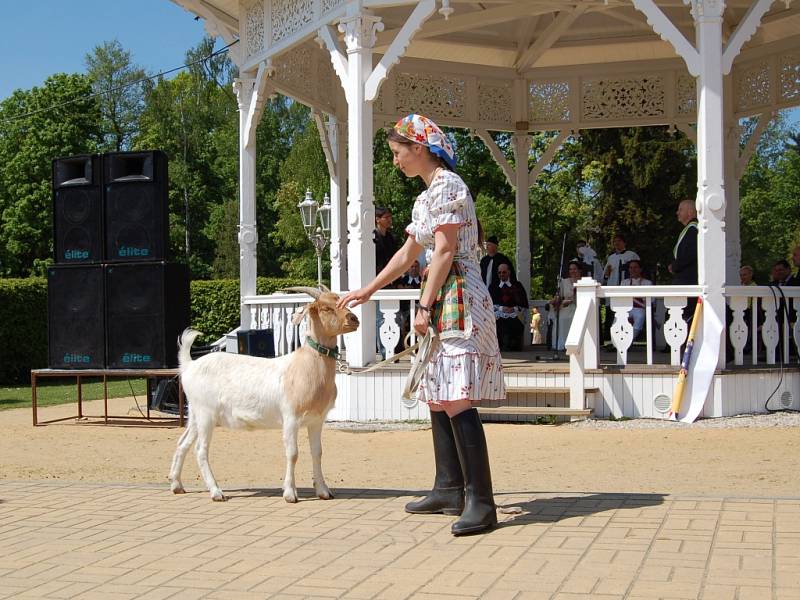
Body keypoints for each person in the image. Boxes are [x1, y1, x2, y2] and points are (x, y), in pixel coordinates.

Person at [338, 113, 504, 536]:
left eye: (397, 153)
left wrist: (426, 306)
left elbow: (445, 252)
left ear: (419, 148)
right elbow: (409, 254)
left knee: (456, 397)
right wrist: (367, 290)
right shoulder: (427, 196)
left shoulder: (448, 186)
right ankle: (449, 488)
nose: (395, 162)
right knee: (436, 395)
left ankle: (481, 502)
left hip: (459, 296)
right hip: (443, 293)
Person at [669, 199, 699, 322]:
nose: (677, 212)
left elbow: (691, 254)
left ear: (691, 212)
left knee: (682, 316)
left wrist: (675, 266)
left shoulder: (693, 230)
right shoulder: (689, 229)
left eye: (680, 209)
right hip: (685, 279)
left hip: (688, 280)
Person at [489, 264, 529, 351]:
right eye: (499, 273)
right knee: (498, 321)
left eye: (504, 272)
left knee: (516, 321)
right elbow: (488, 302)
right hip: (499, 312)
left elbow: (523, 302)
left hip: (514, 312)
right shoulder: (493, 287)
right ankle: (500, 346)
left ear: (509, 272)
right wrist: (501, 309)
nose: (501, 274)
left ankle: (514, 346)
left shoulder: (517, 285)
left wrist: (513, 309)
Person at [551, 261, 582, 351]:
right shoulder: (564, 282)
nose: (573, 271)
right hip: (566, 306)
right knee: (561, 318)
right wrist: (557, 300)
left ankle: (577, 344)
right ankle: (563, 344)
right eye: (570, 269)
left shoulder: (584, 282)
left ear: (579, 270)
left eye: (575, 269)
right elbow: (558, 296)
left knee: (576, 317)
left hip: (579, 307)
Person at [619, 259, 652, 340]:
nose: (633, 270)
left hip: (640, 308)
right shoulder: (624, 283)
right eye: (631, 268)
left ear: (640, 269)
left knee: (640, 317)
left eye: (635, 267)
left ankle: (628, 340)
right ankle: (617, 341)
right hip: (626, 308)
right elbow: (620, 298)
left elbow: (652, 300)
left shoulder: (647, 283)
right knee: (618, 316)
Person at [374, 206, 398, 279]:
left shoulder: (391, 238)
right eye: (386, 217)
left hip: (390, 277)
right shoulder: (372, 237)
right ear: (377, 219)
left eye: (390, 217)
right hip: (376, 276)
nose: (390, 220)